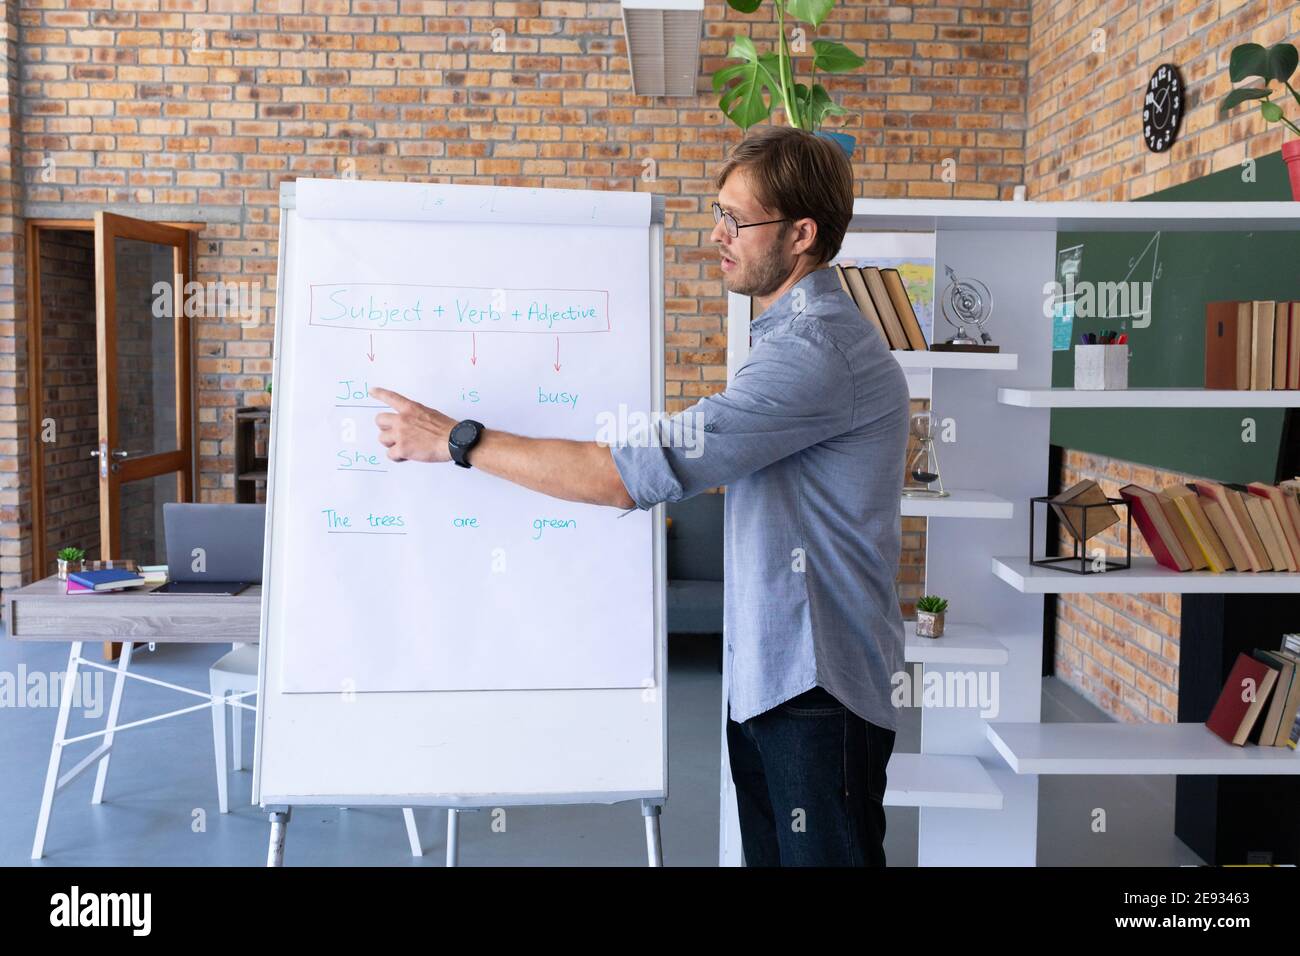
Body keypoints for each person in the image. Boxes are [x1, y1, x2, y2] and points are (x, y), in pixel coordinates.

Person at [372, 126, 910, 866]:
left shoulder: (815, 354)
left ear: (801, 235)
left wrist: (460, 441)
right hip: (778, 678)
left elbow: (627, 473)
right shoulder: (795, 340)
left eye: (737, 220)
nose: (718, 236)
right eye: (716, 213)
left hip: (817, 690)